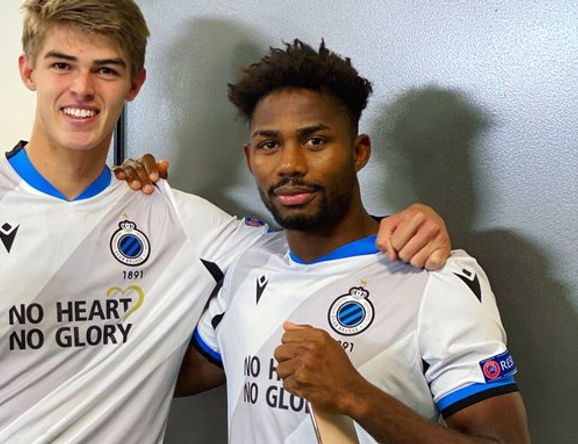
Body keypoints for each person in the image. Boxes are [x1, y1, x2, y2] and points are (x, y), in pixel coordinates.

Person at [0, 2, 451, 443]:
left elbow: (313, 243)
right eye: (62, 64)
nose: (82, 88)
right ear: (28, 71)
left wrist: (407, 223)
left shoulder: (179, 217)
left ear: (136, 83)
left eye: (106, 69)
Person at [171, 40, 530, 443]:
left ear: (358, 152)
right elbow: (166, 376)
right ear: (251, 158)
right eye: (269, 145)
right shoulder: (247, 262)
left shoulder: (434, 275)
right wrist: (129, 202)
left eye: (315, 141)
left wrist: (356, 397)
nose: (289, 164)